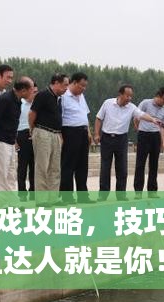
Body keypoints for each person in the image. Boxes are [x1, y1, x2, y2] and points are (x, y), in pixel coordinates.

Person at [94, 85, 160, 201]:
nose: (129, 98)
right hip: (107, 138)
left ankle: (121, 195)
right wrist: (96, 134)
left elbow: (141, 114)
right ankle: (103, 195)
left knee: (122, 168)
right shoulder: (107, 103)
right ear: (120, 94)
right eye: (127, 96)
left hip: (121, 139)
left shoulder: (131, 107)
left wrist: (153, 120)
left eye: (131, 96)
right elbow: (99, 118)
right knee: (105, 167)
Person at [0, 77, 33, 197]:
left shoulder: (18, 101)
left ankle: (12, 202)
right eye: (31, 90)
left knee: (11, 174)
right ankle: (2, 204)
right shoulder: (6, 99)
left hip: (10, 141)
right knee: (1, 174)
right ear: (23, 90)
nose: (33, 93)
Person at [29, 73, 69, 206]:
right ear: (56, 83)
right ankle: (41, 199)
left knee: (55, 168)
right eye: (64, 85)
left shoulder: (58, 99)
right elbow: (32, 113)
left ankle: (53, 198)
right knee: (42, 166)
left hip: (56, 134)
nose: (66, 88)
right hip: (43, 132)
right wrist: (33, 129)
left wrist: (60, 134)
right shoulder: (43, 95)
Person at [60, 72, 94, 204]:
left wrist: (88, 132)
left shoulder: (81, 96)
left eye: (85, 86)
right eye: (81, 85)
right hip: (70, 132)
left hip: (83, 132)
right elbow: (59, 118)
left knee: (82, 166)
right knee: (68, 165)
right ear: (73, 83)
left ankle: (83, 196)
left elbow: (84, 115)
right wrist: (61, 136)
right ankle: (67, 196)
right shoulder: (63, 97)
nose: (83, 88)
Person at [133, 87, 164, 196]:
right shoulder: (145, 103)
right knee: (140, 164)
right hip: (143, 135)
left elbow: (163, 127)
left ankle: (152, 191)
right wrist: (138, 128)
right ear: (158, 96)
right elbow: (136, 116)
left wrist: (163, 141)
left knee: (154, 165)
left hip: (155, 137)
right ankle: (138, 191)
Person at [16, 81, 38, 201]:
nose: (35, 94)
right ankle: (22, 193)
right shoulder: (19, 104)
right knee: (22, 166)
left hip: (35, 135)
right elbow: (14, 123)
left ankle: (33, 192)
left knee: (34, 166)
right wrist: (15, 140)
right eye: (33, 91)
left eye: (36, 92)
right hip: (22, 135)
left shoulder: (37, 105)